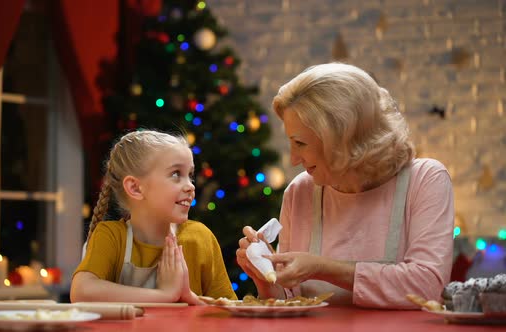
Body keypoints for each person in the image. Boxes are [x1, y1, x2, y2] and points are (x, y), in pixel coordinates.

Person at [236, 63, 454, 309]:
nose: (294, 159)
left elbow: (428, 287)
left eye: (300, 143)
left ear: (342, 138)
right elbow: (290, 300)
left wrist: (322, 268)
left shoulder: (425, 179)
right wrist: (266, 277)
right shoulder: (301, 191)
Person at [71, 130, 236, 304]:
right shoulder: (111, 236)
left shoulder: (200, 238)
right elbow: (82, 291)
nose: (190, 186)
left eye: (190, 175)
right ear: (135, 188)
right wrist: (165, 295)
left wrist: (190, 298)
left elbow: (228, 311)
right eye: (176, 174)